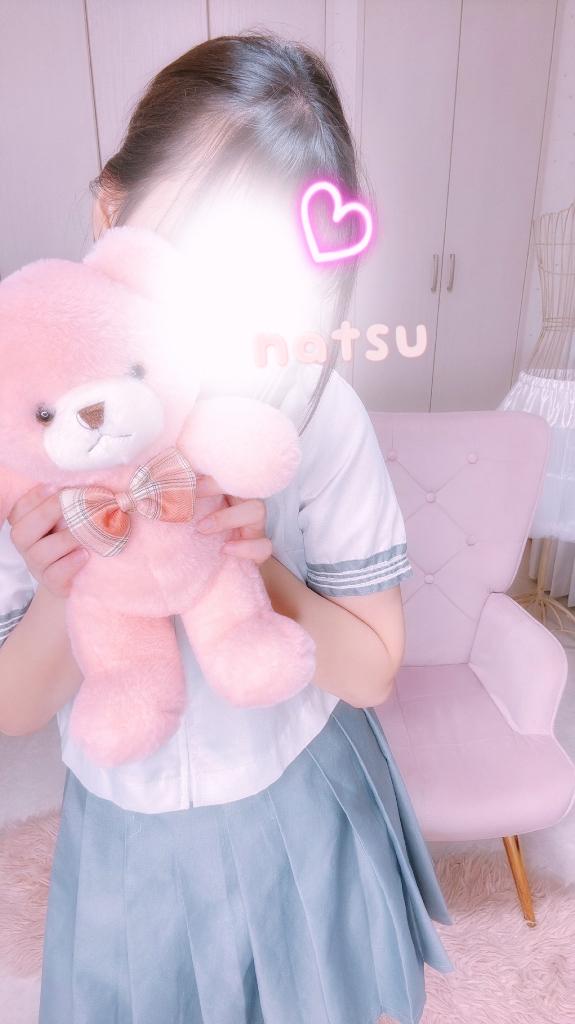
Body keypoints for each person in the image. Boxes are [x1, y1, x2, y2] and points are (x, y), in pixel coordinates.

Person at [0, 32, 454, 1024]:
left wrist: (258, 561)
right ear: (111, 210)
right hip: (127, 831)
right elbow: (14, 705)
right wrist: (66, 583)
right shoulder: (32, 425)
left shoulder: (311, 413)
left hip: (302, 799)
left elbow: (372, 669)